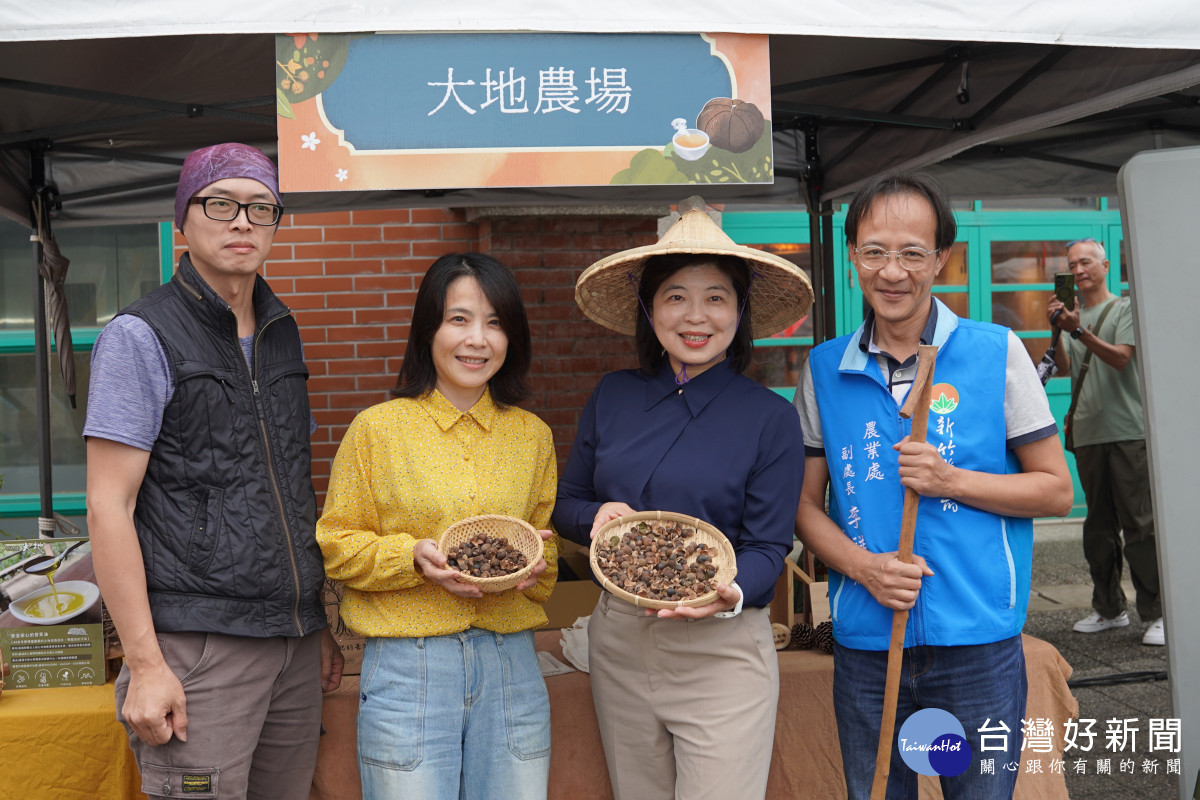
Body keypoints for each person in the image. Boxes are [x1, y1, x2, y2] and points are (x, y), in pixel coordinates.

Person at [794, 173, 1073, 800]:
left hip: (975, 641)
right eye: (875, 252)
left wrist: (950, 480)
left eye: (912, 253)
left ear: (940, 258)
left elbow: (1055, 489)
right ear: (852, 258)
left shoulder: (997, 351)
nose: (892, 272)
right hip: (868, 640)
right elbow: (805, 508)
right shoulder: (823, 368)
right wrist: (865, 569)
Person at [85, 143, 343, 800]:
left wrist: (314, 620)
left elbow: (289, 487)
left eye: (261, 208)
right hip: (198, 647)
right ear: (183, 221)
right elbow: (107, 506)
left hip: (291, 641)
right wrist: (145, 664)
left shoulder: (284, 332)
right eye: (220, 204)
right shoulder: (141, 336)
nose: (242, 222)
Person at [553, 196, 813, 800]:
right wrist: (595, 516)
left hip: (722, 647)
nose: (696, 316)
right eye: (675, 296)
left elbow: (770, 545)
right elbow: (565, 502)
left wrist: (729, 592)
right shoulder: (613, 396)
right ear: (649, 309)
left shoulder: (769, 419)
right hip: (618, 642)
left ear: (740, 311)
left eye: (716, 297)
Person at [315, 253, 558, 800]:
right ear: (428, 328)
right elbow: (336, 545)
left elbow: (544, 548)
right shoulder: (377, 430)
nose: (478, 339)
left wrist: (535, 567)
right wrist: (413, 559)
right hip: (410, 669)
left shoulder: (532, 436)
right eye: (460, 319)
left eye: (495, 323)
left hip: (511, 662)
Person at [1048, 238, 1163, 645]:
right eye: (1071, 265)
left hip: (1128, 430)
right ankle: (1109, 608)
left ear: (1105, 265)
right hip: (1089, 432)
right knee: (1097, 528)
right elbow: (1063, 368)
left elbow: (1121, 358)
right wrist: (1059, 329)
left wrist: (1078, 329)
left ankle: (1157, 612)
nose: (1078, 271)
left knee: (1140, 526)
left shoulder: (1125, 308)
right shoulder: (1073, 315)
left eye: (1085, 262)